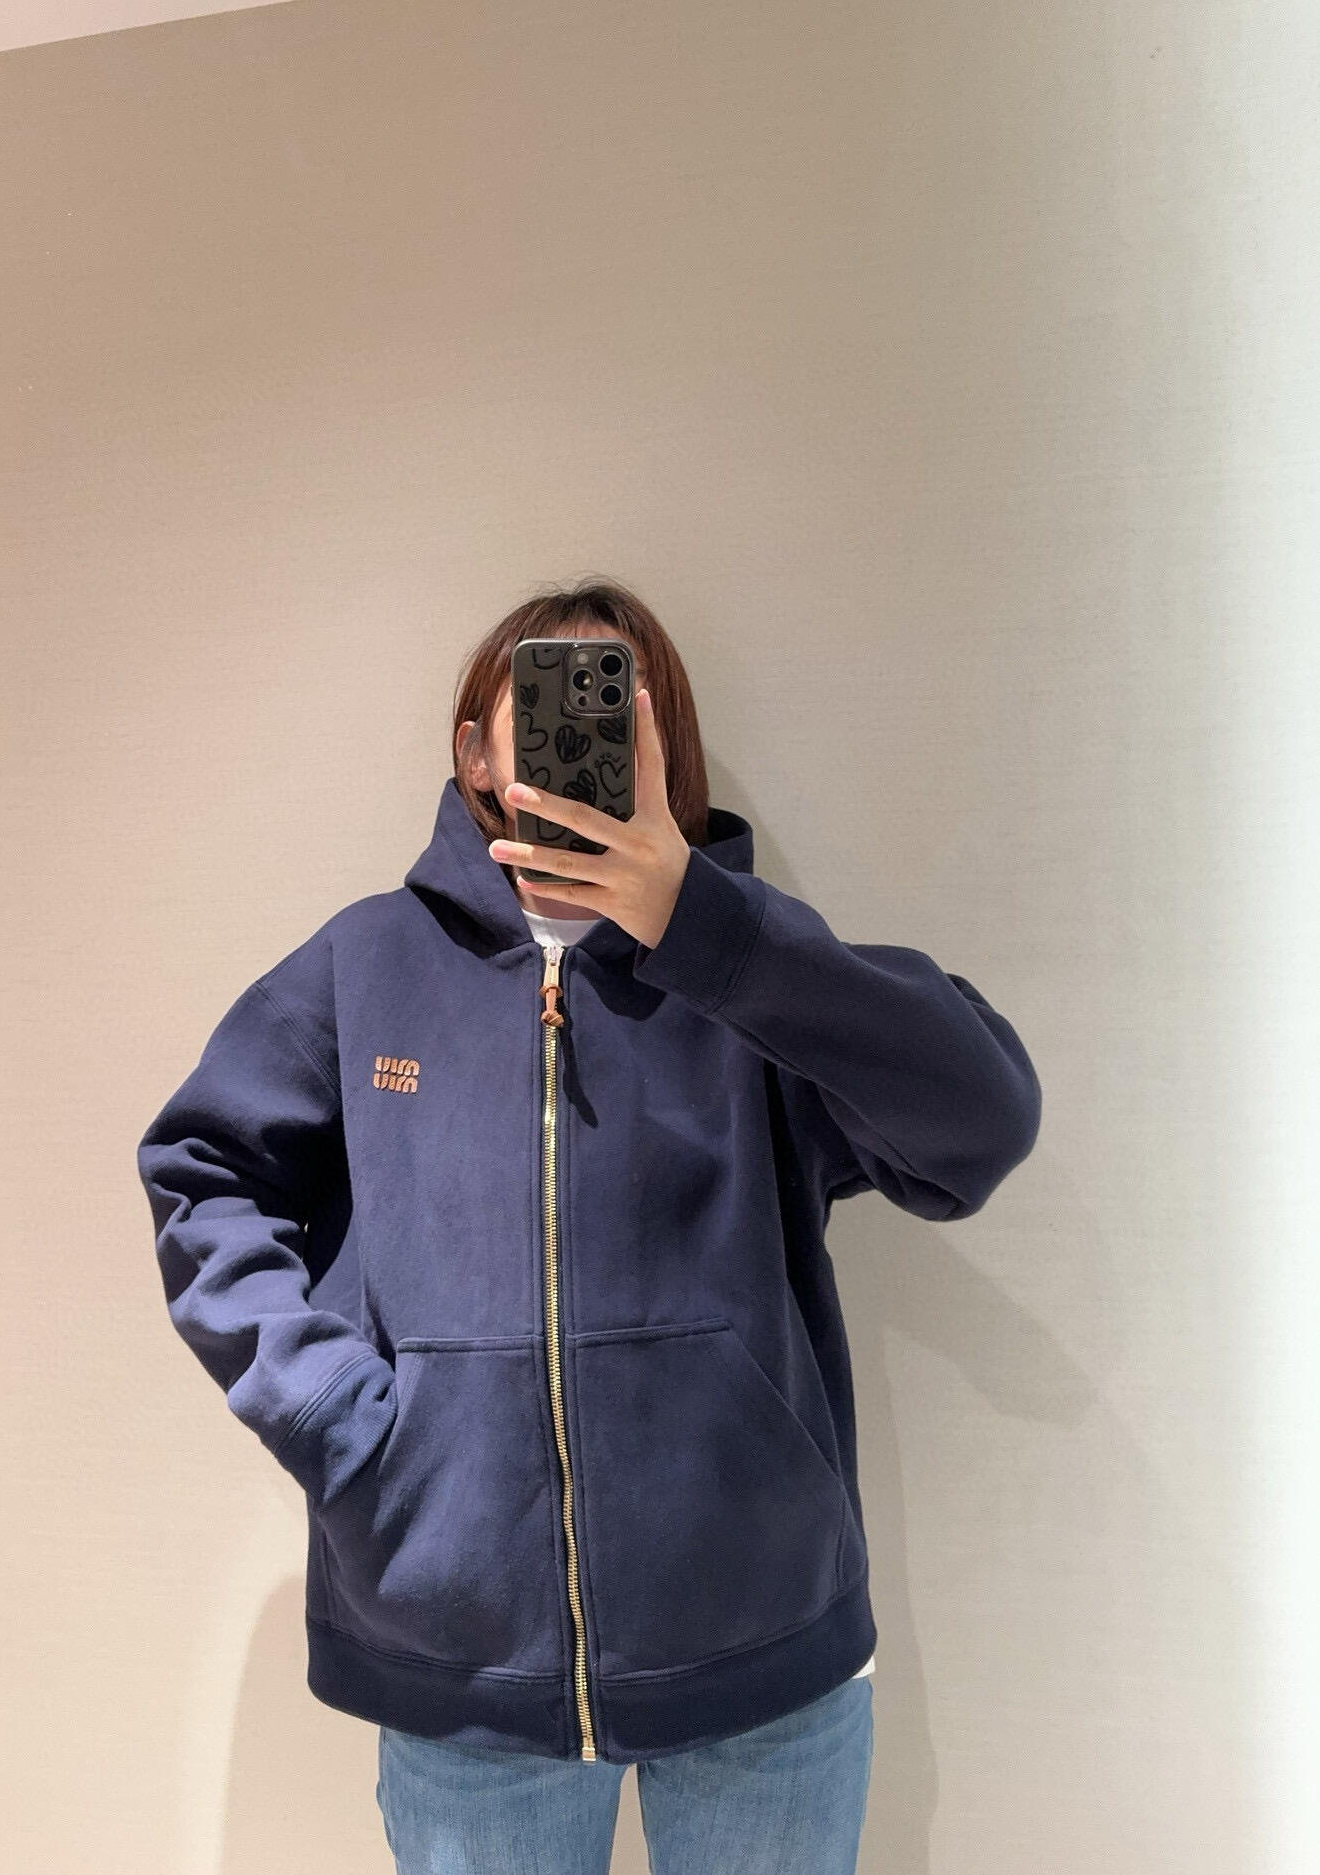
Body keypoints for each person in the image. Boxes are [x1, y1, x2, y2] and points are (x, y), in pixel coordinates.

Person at [136, 576, 1042, 1873]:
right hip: (464, 1672)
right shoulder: (369, 965)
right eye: (554, 699)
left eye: (623, 707)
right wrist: (335, 1414)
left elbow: (980, 1117)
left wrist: (702, 924)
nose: (588, 733)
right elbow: (202, 1168)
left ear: (668, 748)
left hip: (762, 1665)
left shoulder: (750, 977)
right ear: (475, 750)